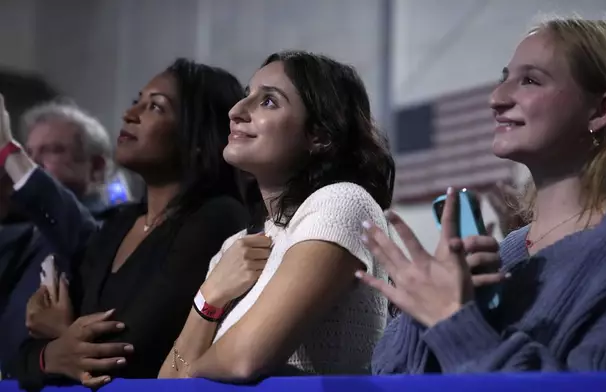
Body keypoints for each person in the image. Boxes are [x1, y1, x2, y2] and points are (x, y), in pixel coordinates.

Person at [361, 16, 606, 373]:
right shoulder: (508, 251)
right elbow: (389, 375)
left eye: (529, 80)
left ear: (601, 110)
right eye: (503, 79)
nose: (496, 99)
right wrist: (431, 306)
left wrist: (451, 320)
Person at [2, 58, 251, 389]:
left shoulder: (217, 218)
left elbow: (132, 352)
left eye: (155, 108)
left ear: (199, 137)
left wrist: (60, 336)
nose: (129, 114)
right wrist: (53, 352)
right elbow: (23, 359)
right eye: (137, 101)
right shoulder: (121, 223)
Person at [159, 50, 395, 381]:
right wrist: (210, 295)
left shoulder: (343, 202)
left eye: (269, 101)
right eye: (246, 96)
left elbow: (243, 359)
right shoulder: (234, 247)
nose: (236, 111)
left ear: (320, 136)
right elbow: (164, 385)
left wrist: (187, 373)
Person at [0, 101, 117, 374]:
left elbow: (76, 228)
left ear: (96, 167)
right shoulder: (21, 234)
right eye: (28, 152)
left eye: (52, 150)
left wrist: (8, 150)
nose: (32, 161)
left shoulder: (115, 226)